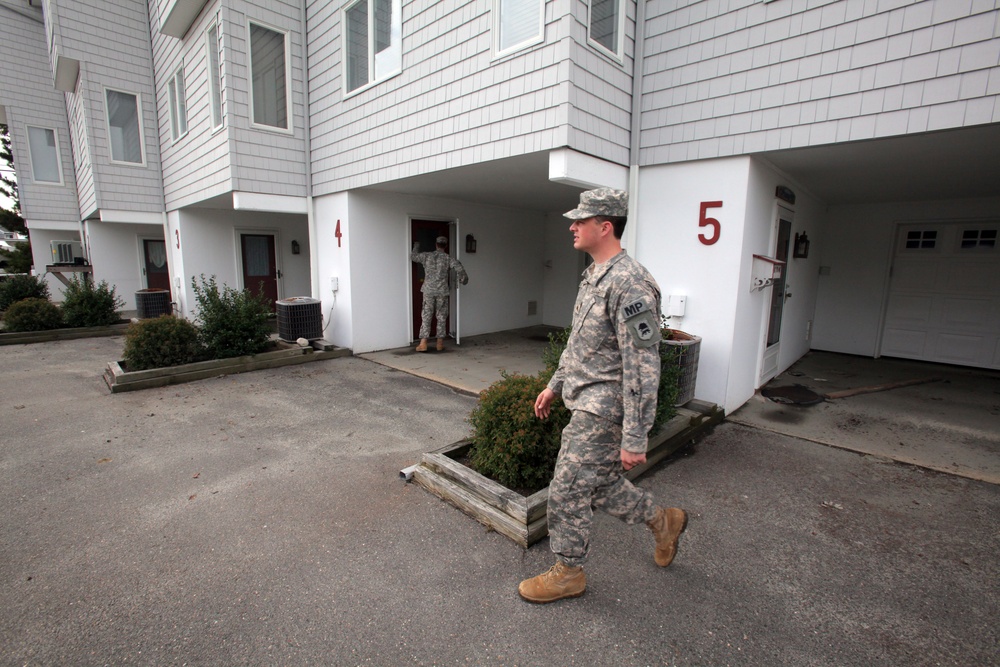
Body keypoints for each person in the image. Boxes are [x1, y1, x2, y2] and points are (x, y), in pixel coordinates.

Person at [519, 187, 688, 604]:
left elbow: (644, 366)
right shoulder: (594, 274)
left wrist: (635, 434)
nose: (572, 226)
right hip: (584, 395)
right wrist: (555, 384)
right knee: (599, 485)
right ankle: (662, 521)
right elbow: (580, 343)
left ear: (605, 226)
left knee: (567, 487)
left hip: (605, 406)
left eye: (580, 220)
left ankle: (568, 572)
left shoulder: (630, 284)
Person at [410, 235, 469, 352]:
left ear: (436, 244)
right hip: (442, 291)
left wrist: (416, 245)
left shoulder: (427, 256)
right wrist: (464, 280)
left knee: (426, 315)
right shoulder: (448, 258)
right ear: (445, 246)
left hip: (428, 291)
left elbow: (413, 257)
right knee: (441, 316)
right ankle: (439, 344)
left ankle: (423, 343)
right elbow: (460, 268)